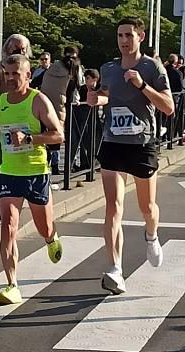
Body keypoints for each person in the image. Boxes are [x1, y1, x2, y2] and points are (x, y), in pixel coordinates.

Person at [87, 16, 174, 294]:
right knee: (113, 207)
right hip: (113, 141)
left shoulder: (152, 67)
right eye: (120, 36)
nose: (123, 41)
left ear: (141, 37)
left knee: (147, 207)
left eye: (128, 35)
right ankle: (115, 269)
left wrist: (142, 86)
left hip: (142, 143)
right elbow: (105, 95)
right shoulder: (109, 68)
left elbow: (169, 107)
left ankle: (151, 235)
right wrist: (94, 98)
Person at [0, 54, 64, 305]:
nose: (10, 78)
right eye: (6, 73)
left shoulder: (38, 101)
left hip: (36, 172)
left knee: (44, 227)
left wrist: (28, 139)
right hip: (10, 172)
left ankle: (51, 238)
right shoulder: (0, 101)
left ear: (28, 76)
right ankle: (12, 284)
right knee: (8, 227)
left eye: (16, 74)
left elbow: (58, 135)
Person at [0, 34, 33, 219]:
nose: (19, 52)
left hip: (25, 126)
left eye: (22, 49)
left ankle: (19, 200)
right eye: (15, 49)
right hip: (3, 125)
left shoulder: (27, 69)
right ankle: (0, 204)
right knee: (2, 166)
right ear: (7, 50)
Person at [41, 46, 82, 175]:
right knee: (60, 134)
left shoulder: (52, 67)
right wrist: (75, 101)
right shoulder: (73, 68)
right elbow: (76, 88)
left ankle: (45, 163)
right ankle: (63, 167)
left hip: (43, 102)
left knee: (44, 132)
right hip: (61, 104)